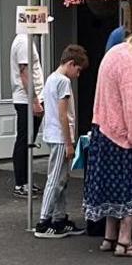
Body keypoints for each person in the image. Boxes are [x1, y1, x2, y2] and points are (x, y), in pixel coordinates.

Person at [85, 29, 132, 258]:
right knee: (131, 189)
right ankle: (125, 241)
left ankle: (109, 237)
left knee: (112, 187)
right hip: (123, 135)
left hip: (103, 128)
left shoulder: (114, 52)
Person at [34, 44, 88, 239]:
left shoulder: (50, 79)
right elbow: (63, 115)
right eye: (78, 70)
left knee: (61, 180)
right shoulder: (63, 82)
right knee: (56, 180)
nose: (78, 75)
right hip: (60, 137)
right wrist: (69, 143)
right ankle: (44, 221)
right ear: (71, 64)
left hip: (52, 134)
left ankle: (59, 219)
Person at [9, 29, 44, 196]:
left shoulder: (25, 41)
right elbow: (24, 73)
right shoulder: (24, 42)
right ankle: (21, 182)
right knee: (24, 139)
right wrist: (35, 100)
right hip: (25, 99)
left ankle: (26, 181)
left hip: (26, 98)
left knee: (27, 140)